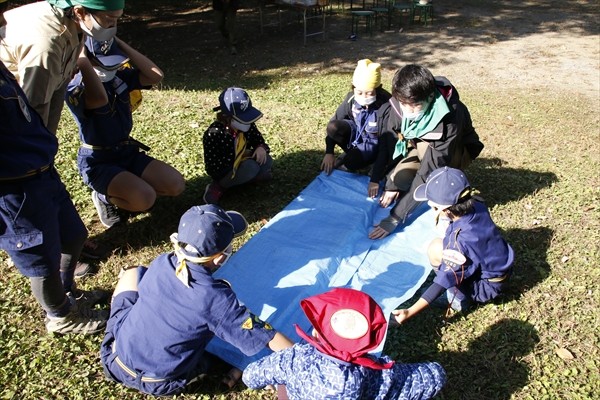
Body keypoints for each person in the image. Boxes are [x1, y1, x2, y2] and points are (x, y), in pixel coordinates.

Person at [101, 205, 294, 397]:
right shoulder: (216, 301)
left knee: (133, 273)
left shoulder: (163, 262)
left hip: (114, 356)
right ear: (219, 258)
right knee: (206, 362)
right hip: (158, 382)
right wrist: (302, 359)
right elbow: (268, 337)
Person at [0, 0, 109, 335]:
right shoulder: (45, 43)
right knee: (40, 260)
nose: (5, 22)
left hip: (41, 169)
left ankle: (69, 295)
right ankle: (60, 315)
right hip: (15, 185)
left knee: (73, 235)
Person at [65, 37, 185, 228]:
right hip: (99, 160)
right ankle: (103, 196)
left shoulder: (117, 77)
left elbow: (156, 76)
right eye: (106, 62)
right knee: (145, 199)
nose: (112, 67)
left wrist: (118, 44)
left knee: (175, 184)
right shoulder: (75, 87)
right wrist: (82, 60)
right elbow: (98, 99)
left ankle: (129, 185)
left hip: (125, 152)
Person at [243, 287, 446, 399]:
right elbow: (431, 378)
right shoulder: (373, 374)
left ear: (315, 333)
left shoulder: (294, 359)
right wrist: (436, 369)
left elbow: (251, 375)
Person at [369, 64, 484, 240]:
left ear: (430, 97)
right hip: (423, 148)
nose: (407, 111)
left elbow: (427, 172)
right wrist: (391, 183)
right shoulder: (399, 103)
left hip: (455, 152)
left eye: (414, 105)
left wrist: (395, 217)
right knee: (399, 178)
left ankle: (449, 183)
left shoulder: (451, 116)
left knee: (434, 182)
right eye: (403, 104)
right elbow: (390, 144)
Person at [392, 167, 514, 324]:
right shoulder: (476, 204)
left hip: (486, 286)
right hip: (498, 269)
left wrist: (409, 312)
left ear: (443, 209)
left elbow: (444, 280)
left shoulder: (459, 242)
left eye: (432, 205)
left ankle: (458, 300)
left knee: (435, 248)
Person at [0, 0, 123, 135]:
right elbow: (33, 108)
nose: (114, 26)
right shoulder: (47, 45)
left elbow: (57, 90)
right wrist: (38, 149)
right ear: (80, 12)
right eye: (110, 20)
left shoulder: (76, 26)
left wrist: (49, 140)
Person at [320, 59, 392, 182]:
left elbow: (387, 143)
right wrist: (329, 152)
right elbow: (335, 120)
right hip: (358, 135)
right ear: (353, 85)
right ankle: (352, 153)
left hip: (376, 144)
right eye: (359, 92)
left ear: (379, 88)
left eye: (369, 93)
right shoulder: (351, 98)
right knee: (333, 127)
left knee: (350, 162)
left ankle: (374, 163)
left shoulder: (387, 105)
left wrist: (376, 176)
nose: (364, 97)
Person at [203, 87, 273, 205]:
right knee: (251, 167)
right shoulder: (214, 133)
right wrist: (238, 155)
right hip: (224, 169)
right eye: (243, 118)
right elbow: (212, 166)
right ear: (227, 116)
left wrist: (260, 147)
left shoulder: (247, 126)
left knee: (267, 161)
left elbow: (258, 139)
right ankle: (218, 187)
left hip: (242, 161)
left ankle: (248, 178)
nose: (248, 122)